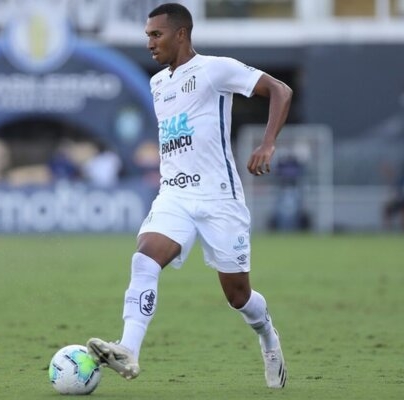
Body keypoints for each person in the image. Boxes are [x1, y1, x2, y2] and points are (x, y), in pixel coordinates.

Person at [86, 3, 292, 389]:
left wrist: (267, 144)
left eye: (156, 35)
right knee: (145, 257)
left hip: (219, 199)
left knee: (238, 296)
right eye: (147, 35)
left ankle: (267, 336)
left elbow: (280, 90)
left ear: (181, 34)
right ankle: (128, 348)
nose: (150, 43)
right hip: (175, 195)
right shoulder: (157, 84)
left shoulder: (216, 69)